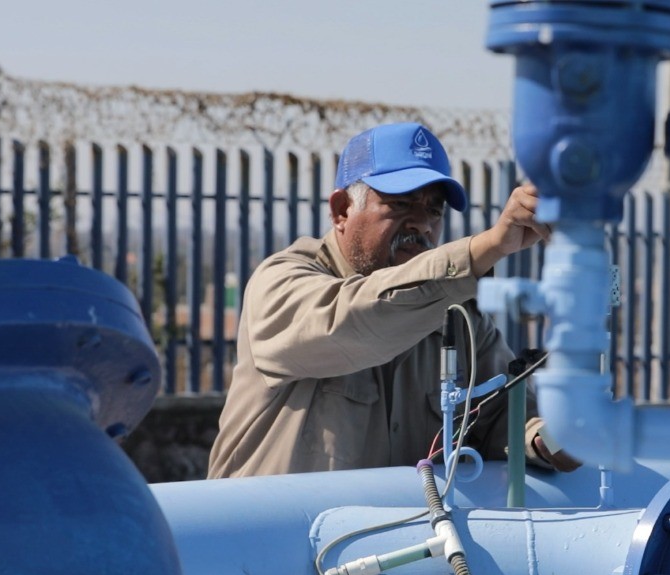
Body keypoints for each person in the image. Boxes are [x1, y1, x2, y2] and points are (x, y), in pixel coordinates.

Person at [208, 122, 579, 478]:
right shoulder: (283, 282)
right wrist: (488, 247)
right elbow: (355, 321)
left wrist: (550, 437)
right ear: (342, 210)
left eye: (434, 209)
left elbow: (502, 414)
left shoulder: (459, 317)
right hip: (269, 538)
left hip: (396, 541)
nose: (422, 223)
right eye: (401, 204)